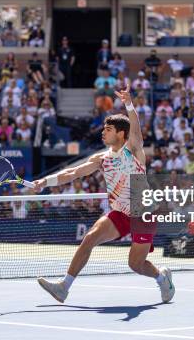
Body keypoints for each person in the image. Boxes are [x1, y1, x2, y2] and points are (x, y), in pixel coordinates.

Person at [32, 84, 175, 304]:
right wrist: (45, 182)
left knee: (135, 264)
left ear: (120, 133)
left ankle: (161, 277)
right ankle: (64, 287)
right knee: (89, 239)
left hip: (143, 214)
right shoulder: (101, 159)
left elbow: (135, 128)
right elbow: (72, 172)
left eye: (108, 129)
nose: (103, 132)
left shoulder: (134, 150)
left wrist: (128, 104)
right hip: (119, 213)